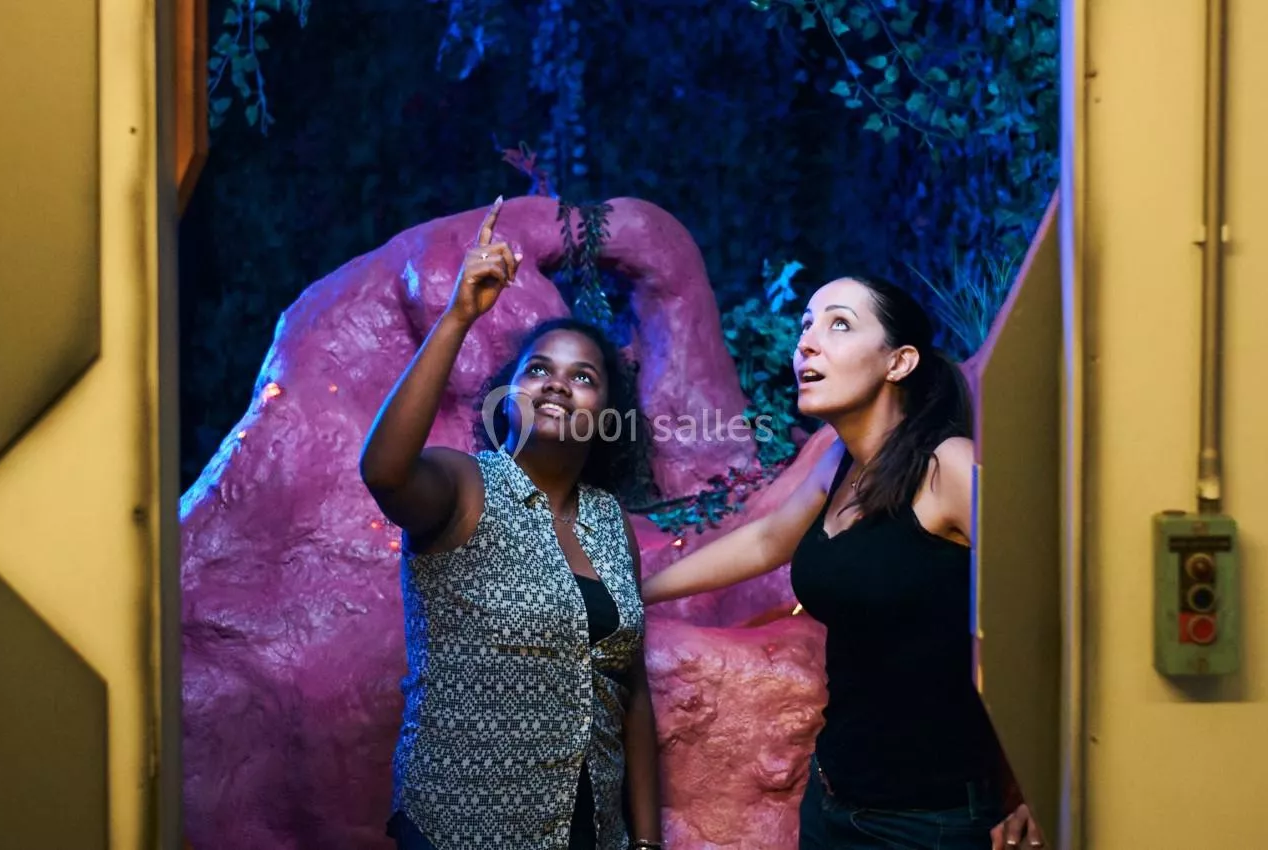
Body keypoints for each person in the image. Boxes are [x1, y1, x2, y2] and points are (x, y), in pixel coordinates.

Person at [640, 275, 1045, 850]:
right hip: (831, 803)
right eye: (807, 324)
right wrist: (639, 589)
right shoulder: (839, 463)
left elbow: (1049, 602)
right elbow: (767, 541)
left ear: (899, 362)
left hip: (928, 824)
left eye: (839, 325)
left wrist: (1045, 786)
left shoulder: (948, 467)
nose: (806, 342)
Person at [360, 197, 663, 850]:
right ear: (507, 396)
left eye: (583, 377)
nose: (556, 385)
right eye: (538, 369)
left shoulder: (610, 521)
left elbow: (631, 691)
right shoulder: (463, 485)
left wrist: (645, 841)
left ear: (607, 414)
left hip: (590, 830)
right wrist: (459, 316)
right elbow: (383, 472)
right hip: (462, 826)